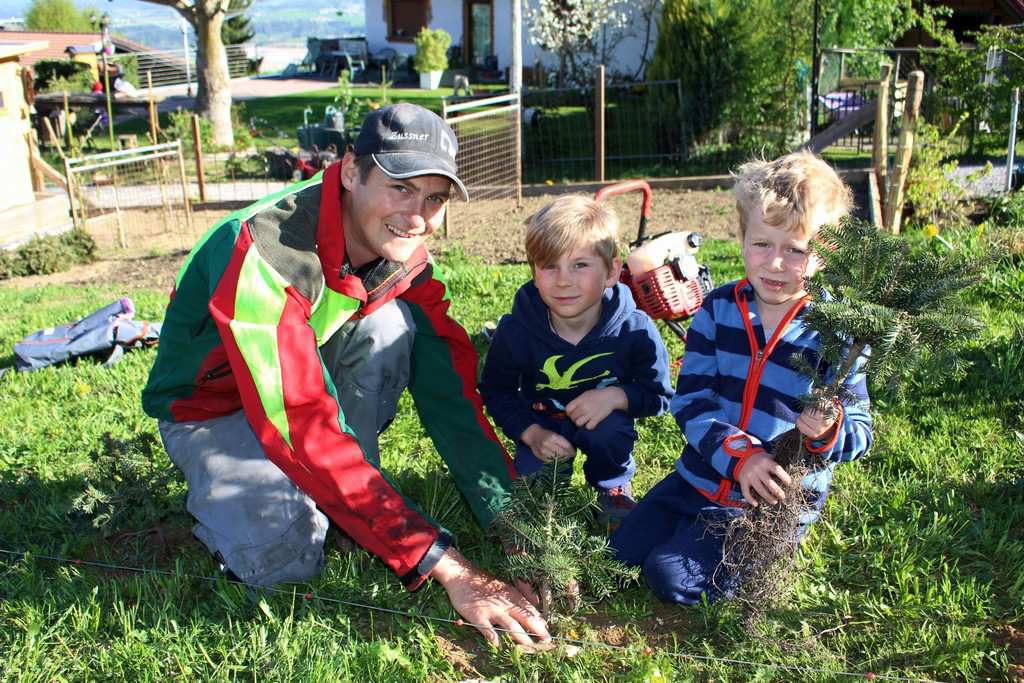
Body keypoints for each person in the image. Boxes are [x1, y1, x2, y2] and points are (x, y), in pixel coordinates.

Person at [141, 103, 549, 646]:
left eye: (435, 198)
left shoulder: (403, 254)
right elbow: (304, 425)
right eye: (401, 188)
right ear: (352, 171)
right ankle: (322, 505)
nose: (418, 216)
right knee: (282, 556)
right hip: (214, 407)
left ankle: (352, 504)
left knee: (392, 327)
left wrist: (511, 521)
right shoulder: (265, 250)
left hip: (300, 377)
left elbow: (451, 395)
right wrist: (447, 566)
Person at [609, 150, 873, 603]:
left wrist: (829, 432)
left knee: (667, 575)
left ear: (827, 253)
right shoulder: (718, 309)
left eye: (796, 250)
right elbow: (690, 399)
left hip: (764, 504)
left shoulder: (841, 334)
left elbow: (861, 430)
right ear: (741, 236)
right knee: (616, 555)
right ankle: (688, 529)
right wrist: (737, 455)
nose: (775, 263)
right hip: (701, 475)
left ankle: (765, 555)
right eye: (762, 244)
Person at [478, 194, 674, 529]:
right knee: (532, 494)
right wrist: (530, 432)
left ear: (612, 272)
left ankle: (612, 485)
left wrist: (617, 396)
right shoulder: (515, 331)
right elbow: (496, 393)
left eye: (580, 265)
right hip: (543, 423)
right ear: (534, 273)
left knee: (609, 430)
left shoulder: (635, 330)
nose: (563, 280)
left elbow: (659, 395)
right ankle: (549, 486)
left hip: (604, 425)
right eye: (550, 266)